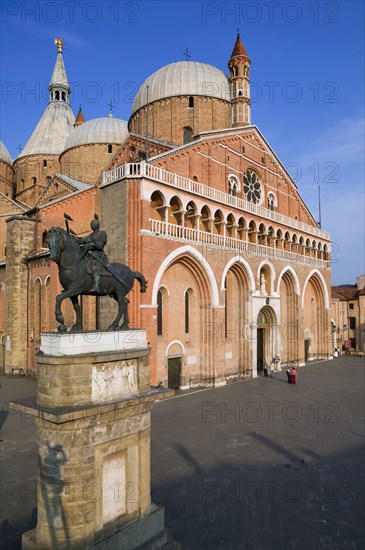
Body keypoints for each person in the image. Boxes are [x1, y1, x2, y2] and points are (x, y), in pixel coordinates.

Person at [76, 214, 109, 292]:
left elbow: (100, 246)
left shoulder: (102, 233)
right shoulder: (90, 236)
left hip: (98, 256)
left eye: (93, 224)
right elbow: (81, 240)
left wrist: (89, 245)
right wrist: (72, 238)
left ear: (97, 225)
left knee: (95, 268)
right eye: (91, 224)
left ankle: (96, 286)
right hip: (89, 256)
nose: (91, 225)